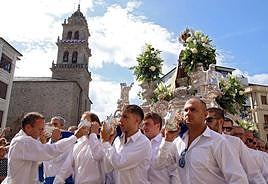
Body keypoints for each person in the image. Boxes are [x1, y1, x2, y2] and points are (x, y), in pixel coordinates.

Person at [156, 97, 248, 184]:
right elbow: (159, 164)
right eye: (186, 110)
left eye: (193, 110)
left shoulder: (218, 142)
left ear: (205, 115)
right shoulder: (178, 142)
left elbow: (237, 179)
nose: (188, 113)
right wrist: (167, 140)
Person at [2, 112, 87, 184]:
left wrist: (42, 143)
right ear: (28, 128)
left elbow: (39, 160)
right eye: (40, 129)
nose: (42, 132)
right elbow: (50, 151)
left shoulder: (29, 141)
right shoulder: (22, 141)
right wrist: (75, 137)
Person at [206, 107, 266, 184]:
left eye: (209, 120)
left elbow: (252, 173)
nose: (205, 123)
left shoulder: (234, 142)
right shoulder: (198, 143)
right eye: (203, 120)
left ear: (220, 122)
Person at [101, 104, 152, 184]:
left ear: (137, 121)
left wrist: (105, 142)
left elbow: (119, 164)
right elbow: (108, 167)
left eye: (125, 117)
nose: (120, 120)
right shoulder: (117, 140)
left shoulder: (143, 143)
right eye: (121, 116)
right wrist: (108, 142)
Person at [54, 112, 104, 184]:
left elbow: (98, 155)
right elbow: (65, 169)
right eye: (81, 121)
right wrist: (58, 180)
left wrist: (93, 134)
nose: (82, 124)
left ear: (94, 124)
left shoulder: (102, 143)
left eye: (85, 121)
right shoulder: (77, 145)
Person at [142, 112, 180, 184]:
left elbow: (175, 172)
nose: (144, 128)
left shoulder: (169, 144)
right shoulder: (141, 145)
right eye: (143, 125)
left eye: (147, 124)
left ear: (157, 126)